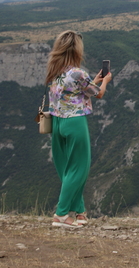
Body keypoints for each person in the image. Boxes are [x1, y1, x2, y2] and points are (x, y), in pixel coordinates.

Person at [46, 30, 112, 228]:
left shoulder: (54, 71)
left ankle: (80, 212)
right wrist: (105, 81)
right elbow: (98, 94)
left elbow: (78, 90)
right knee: (79, 169)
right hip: (74, 122)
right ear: (76, 50)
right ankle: (61, 214)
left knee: (68, 169)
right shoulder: (78, 73)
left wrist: (95, 81)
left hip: (56, 123)